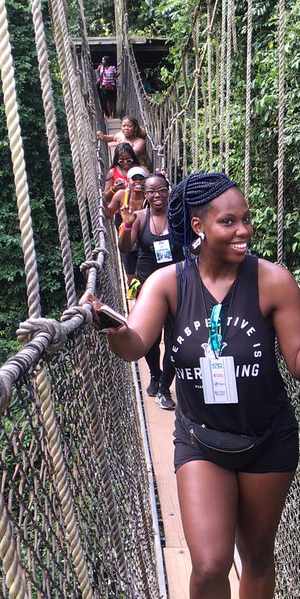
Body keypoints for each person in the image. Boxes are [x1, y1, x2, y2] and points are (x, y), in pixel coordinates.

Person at [87, 171, 300, 599]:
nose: (244, 230)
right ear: (197, 226)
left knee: (258, 555)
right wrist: (103, 322)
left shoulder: (272, 281)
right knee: (210, 564)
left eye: (245, 219)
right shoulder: (170, 282)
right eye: (229, 221)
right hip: (200, 441)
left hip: (268, 440)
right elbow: (135, 344)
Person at [118, 172, 183, 409]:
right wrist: (126, 224)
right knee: (151, 341)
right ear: (145, 195)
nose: (158, 196)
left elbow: (192, 245)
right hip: (149, 289)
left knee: (175, 339)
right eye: (152, 192)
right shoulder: (140, 218)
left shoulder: (178, 217)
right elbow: (124, 246)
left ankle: (165, 388)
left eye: (162, 190)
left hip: (178, 287)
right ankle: (155, 374)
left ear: (169, 191)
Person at [118, 165, 148, 297]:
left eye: (141, 179)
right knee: (131, 275)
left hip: (143, 237)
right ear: (128, 180)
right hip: (128, 237)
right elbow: (108, 212)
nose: (138, 181)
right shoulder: (122, 196)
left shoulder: (150, 196)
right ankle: (135, 297)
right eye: (134, 178)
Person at [102, 143, 138, 219]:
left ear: (133, 158)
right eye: (122, 161)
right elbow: (105, 198)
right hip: (120, 212)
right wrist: (113, 189)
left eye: (129, 160)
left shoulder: (139, 170)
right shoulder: (113, 172)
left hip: (138, 210)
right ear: (117, 160)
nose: (125, 163)